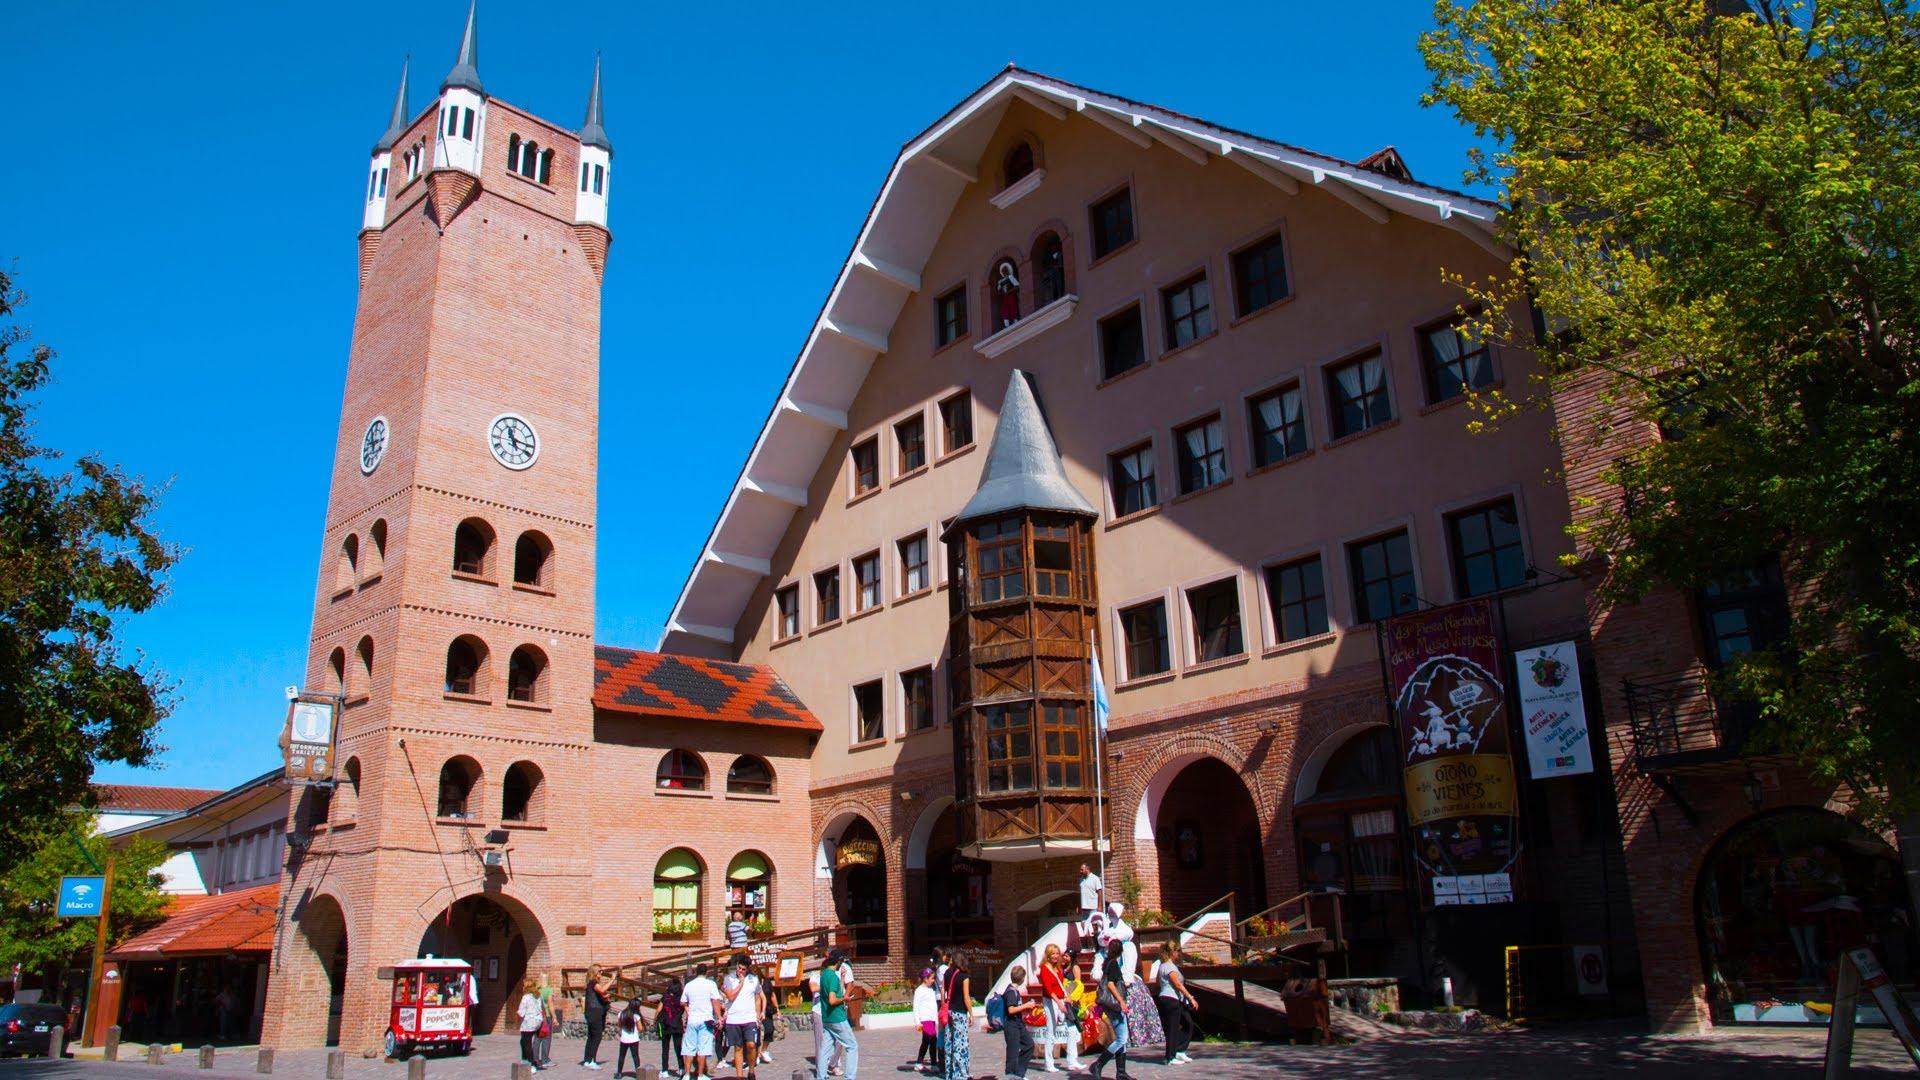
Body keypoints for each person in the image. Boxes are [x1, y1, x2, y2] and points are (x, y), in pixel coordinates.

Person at [1150, 943, 1197, 1067]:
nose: (1179, 954)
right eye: (1177, 951)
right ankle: (1170, 1057)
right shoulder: (1169, 967)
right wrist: (1190, 997)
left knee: (1188, 1023)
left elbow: (1157, 982)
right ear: (1172, 952)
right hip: (1171, 999)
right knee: (1173, 1028)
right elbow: (1178, 984)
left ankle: (1180, 1050)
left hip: (1173, 999)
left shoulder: (1162, 967)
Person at [1089, 941, 1130, 1080]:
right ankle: (1098, 1064)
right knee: (1121, 1038)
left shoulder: (1108, 962)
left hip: (1112, 1005)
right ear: (1120, 951)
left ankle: (1121, 1072)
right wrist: (1121, 1001)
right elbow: (1111, 984)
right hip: (1114, 1005)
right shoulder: (1113, 963)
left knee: (1122, 1037)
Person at [1037, 944, 1080, 1073]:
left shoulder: (1059, 967)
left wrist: (1066, 997)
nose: (1055, 956)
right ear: (1048, 955)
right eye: (1053, 953)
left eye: (1057, 953)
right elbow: (1049, 989)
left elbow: (1062, 984)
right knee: (1051, 1031)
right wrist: (1058, 1003)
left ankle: (1072, 1060)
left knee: (1072, 1028)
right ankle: (1048, 1063)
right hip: (1051, 1001)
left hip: (1061, 999)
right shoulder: (1044, 968)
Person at [721, 954, 764, 1080]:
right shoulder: (729, 979)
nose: (740, 971)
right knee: (738, 1047)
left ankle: (751, 1070)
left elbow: (757, 999)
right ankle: (739, 1076)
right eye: (739, 968)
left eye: (743, 969)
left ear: (748, 968)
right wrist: (740, 982)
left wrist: (757, 1016)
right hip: (734, 1018)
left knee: (751, 1045)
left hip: (749, 1018)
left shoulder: (754, 979)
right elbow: (730, 996)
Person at [818, 948, 859, 1080]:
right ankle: (850, 1077)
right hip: (837, 1017)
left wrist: (841, 978)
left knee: (825, 1048)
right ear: (839, 961)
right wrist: (845, 999)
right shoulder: (832, 977)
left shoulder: (824, 974)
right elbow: (832, 1000)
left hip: (827, 1017)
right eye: (842, 961)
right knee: (852, 1046)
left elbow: (835, 990)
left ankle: (821, 1076)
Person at [680, 963, 724, 1080]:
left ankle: (687, 1074)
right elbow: (715, 1001)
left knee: (689, 1048)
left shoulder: (689, 985)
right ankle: (700, 1075)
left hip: (692, 1019)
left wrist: (689, 1010)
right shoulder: (711, 984)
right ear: (706, 972)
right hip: (706, 1019)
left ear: (696, 972)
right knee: (702, 1049)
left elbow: (683, 1002)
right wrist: (719, 1017)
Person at [999, 966, 1040, 1080]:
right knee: (1013, 1050)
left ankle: (1018, 1073)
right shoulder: (1011, 992)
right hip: (1011, 1024)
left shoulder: (1014, 990)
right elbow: (1011, 1010)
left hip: (1018, 1023)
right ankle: (1010, 1075)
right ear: (1022, 979)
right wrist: (1026, 1006)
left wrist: (1025, 1007)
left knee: (1029, 1045)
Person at [941, 953, 971, 1080]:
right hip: (960, 1012)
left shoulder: (947, 973)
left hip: (948, 1012)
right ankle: (960, 1074)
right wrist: (971, 1013)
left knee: (949, 1042)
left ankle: (949, 1073)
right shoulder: (964, 976)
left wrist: (943, 1005)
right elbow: (966, 997)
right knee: (960, 1043)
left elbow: (943, 990)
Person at [581, 966, 611, 1070]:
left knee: (591, 1037)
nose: (601, 973)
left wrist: (605, 998)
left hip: (593, 1012)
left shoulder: (591, 984)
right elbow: (602, 990)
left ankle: (587, 1060)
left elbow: (598, 995)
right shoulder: (593, 983)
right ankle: (591, 1060)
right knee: (596, 1037)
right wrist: (612, 980)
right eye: (600, 971)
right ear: (594, 973)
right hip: (594, 1012)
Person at [911, 968, 940, 1074]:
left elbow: (933, 1003)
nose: (933, 980)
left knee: (930, 1041)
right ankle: (929, 1063)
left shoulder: (931, 989)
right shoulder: (919, 990)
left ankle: (925, 1063)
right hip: (925, 1019)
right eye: (932, 978)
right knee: (930, 1041)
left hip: (931, 1019)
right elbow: (916, 1006)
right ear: (925, 979)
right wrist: (917, 1021)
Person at [657, 976, 686, 1079]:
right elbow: (686, 1009)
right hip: (677, 1025)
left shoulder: (665, 996)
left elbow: (659, 1009)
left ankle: (664, 1070)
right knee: (678, 1048)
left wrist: (655, 1019)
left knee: (665, 1049)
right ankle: (681, 1068)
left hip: (666, 1025)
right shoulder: (682, 998)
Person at [517, 977, 547, 1071]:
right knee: (525, 1041)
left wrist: (518, 1015)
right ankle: (527, 1060)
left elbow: (521, 1012)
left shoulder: (526, 997)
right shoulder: (538, 996)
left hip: (529, 1022)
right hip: (538, 1021)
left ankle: (531, 1064)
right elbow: (542, 1008)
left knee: (526, 1043)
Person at [614, 998, 645, 1078]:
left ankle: (619, 1073)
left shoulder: (621, 1014)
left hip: (624, 1039)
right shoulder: (636, 1016)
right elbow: (640, 1028)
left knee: (621, 1056)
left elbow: (619, 1025)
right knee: (635, 1056)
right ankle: (638, 1074)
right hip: (634, 1039)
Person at [536, 972, 558, 1068]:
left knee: (537, 1038)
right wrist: (554, 1017)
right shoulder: (549, 990)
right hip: (546, 1016)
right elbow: (550, 1005)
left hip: (537, 1016)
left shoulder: (536, 990)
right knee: (546, 1038)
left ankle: (535, 1059)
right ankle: (545, 1059)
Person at [1077, 864, 1104, 931]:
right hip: (1084, 908)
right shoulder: (1081, 880)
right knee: (1083, 924)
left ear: (1087, 869)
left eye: (1082, 870)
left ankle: (1096, 939)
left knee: (1094, 925)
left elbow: (1099, 892)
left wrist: (1099, 906)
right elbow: (1081, 894)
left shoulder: (1095, 878)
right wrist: (1079, 906)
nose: (1080, 871)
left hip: (1093, 907)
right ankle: (1088, 940)